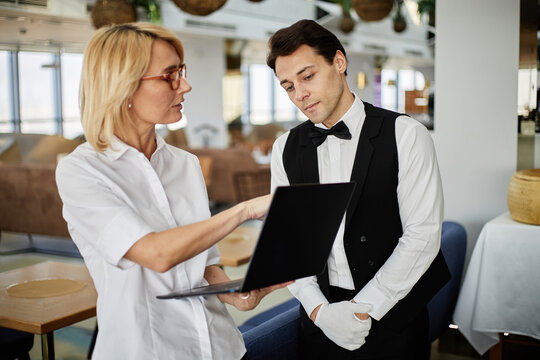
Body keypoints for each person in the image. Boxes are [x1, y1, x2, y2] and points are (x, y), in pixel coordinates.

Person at [56, 23, 286, 360]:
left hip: (223, 347)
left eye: (183, 71)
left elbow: (203, 264)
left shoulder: (185, 164)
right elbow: (157, 254)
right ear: (123, 85)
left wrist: (234, 294)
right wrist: (244, 210)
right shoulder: (82, 171)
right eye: (170, 76)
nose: (186, 85)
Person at [267, 19, 450, 360]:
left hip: (394, 315)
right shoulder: (284, 149)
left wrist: (364, 308)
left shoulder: (406, 134)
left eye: (307, 76)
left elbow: (422, 235)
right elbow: (291, 244)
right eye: (288, 86)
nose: (300, 94)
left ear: (339, 62)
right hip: (319, 320)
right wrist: (320, 311)